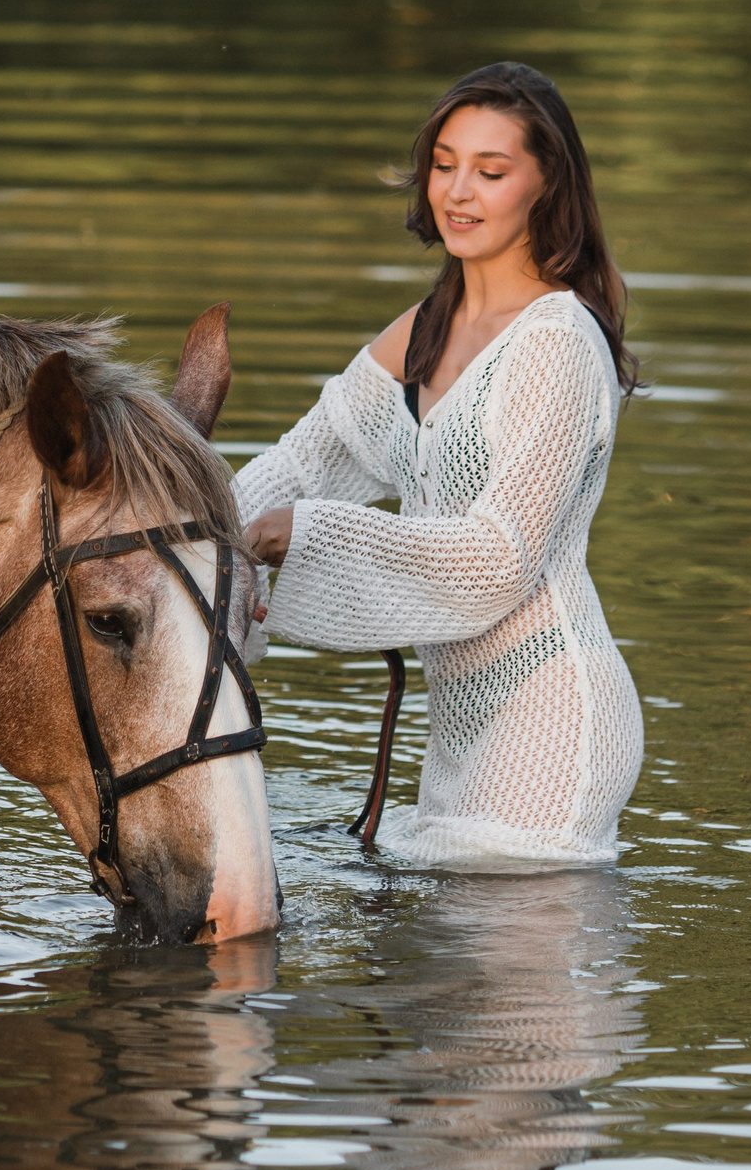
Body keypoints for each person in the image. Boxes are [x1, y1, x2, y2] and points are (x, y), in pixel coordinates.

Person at [237, 62, 644, 864]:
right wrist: (177, 532)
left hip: (556, 718)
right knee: (442, 986)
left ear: (546, 184)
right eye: (445, 164)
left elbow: (497, 560)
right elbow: (303, 461)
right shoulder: (426, 325)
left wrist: (304, 535)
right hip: (458, 735)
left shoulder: (559, 343)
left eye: (490, 171)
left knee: (508, 988)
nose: (457, 192)